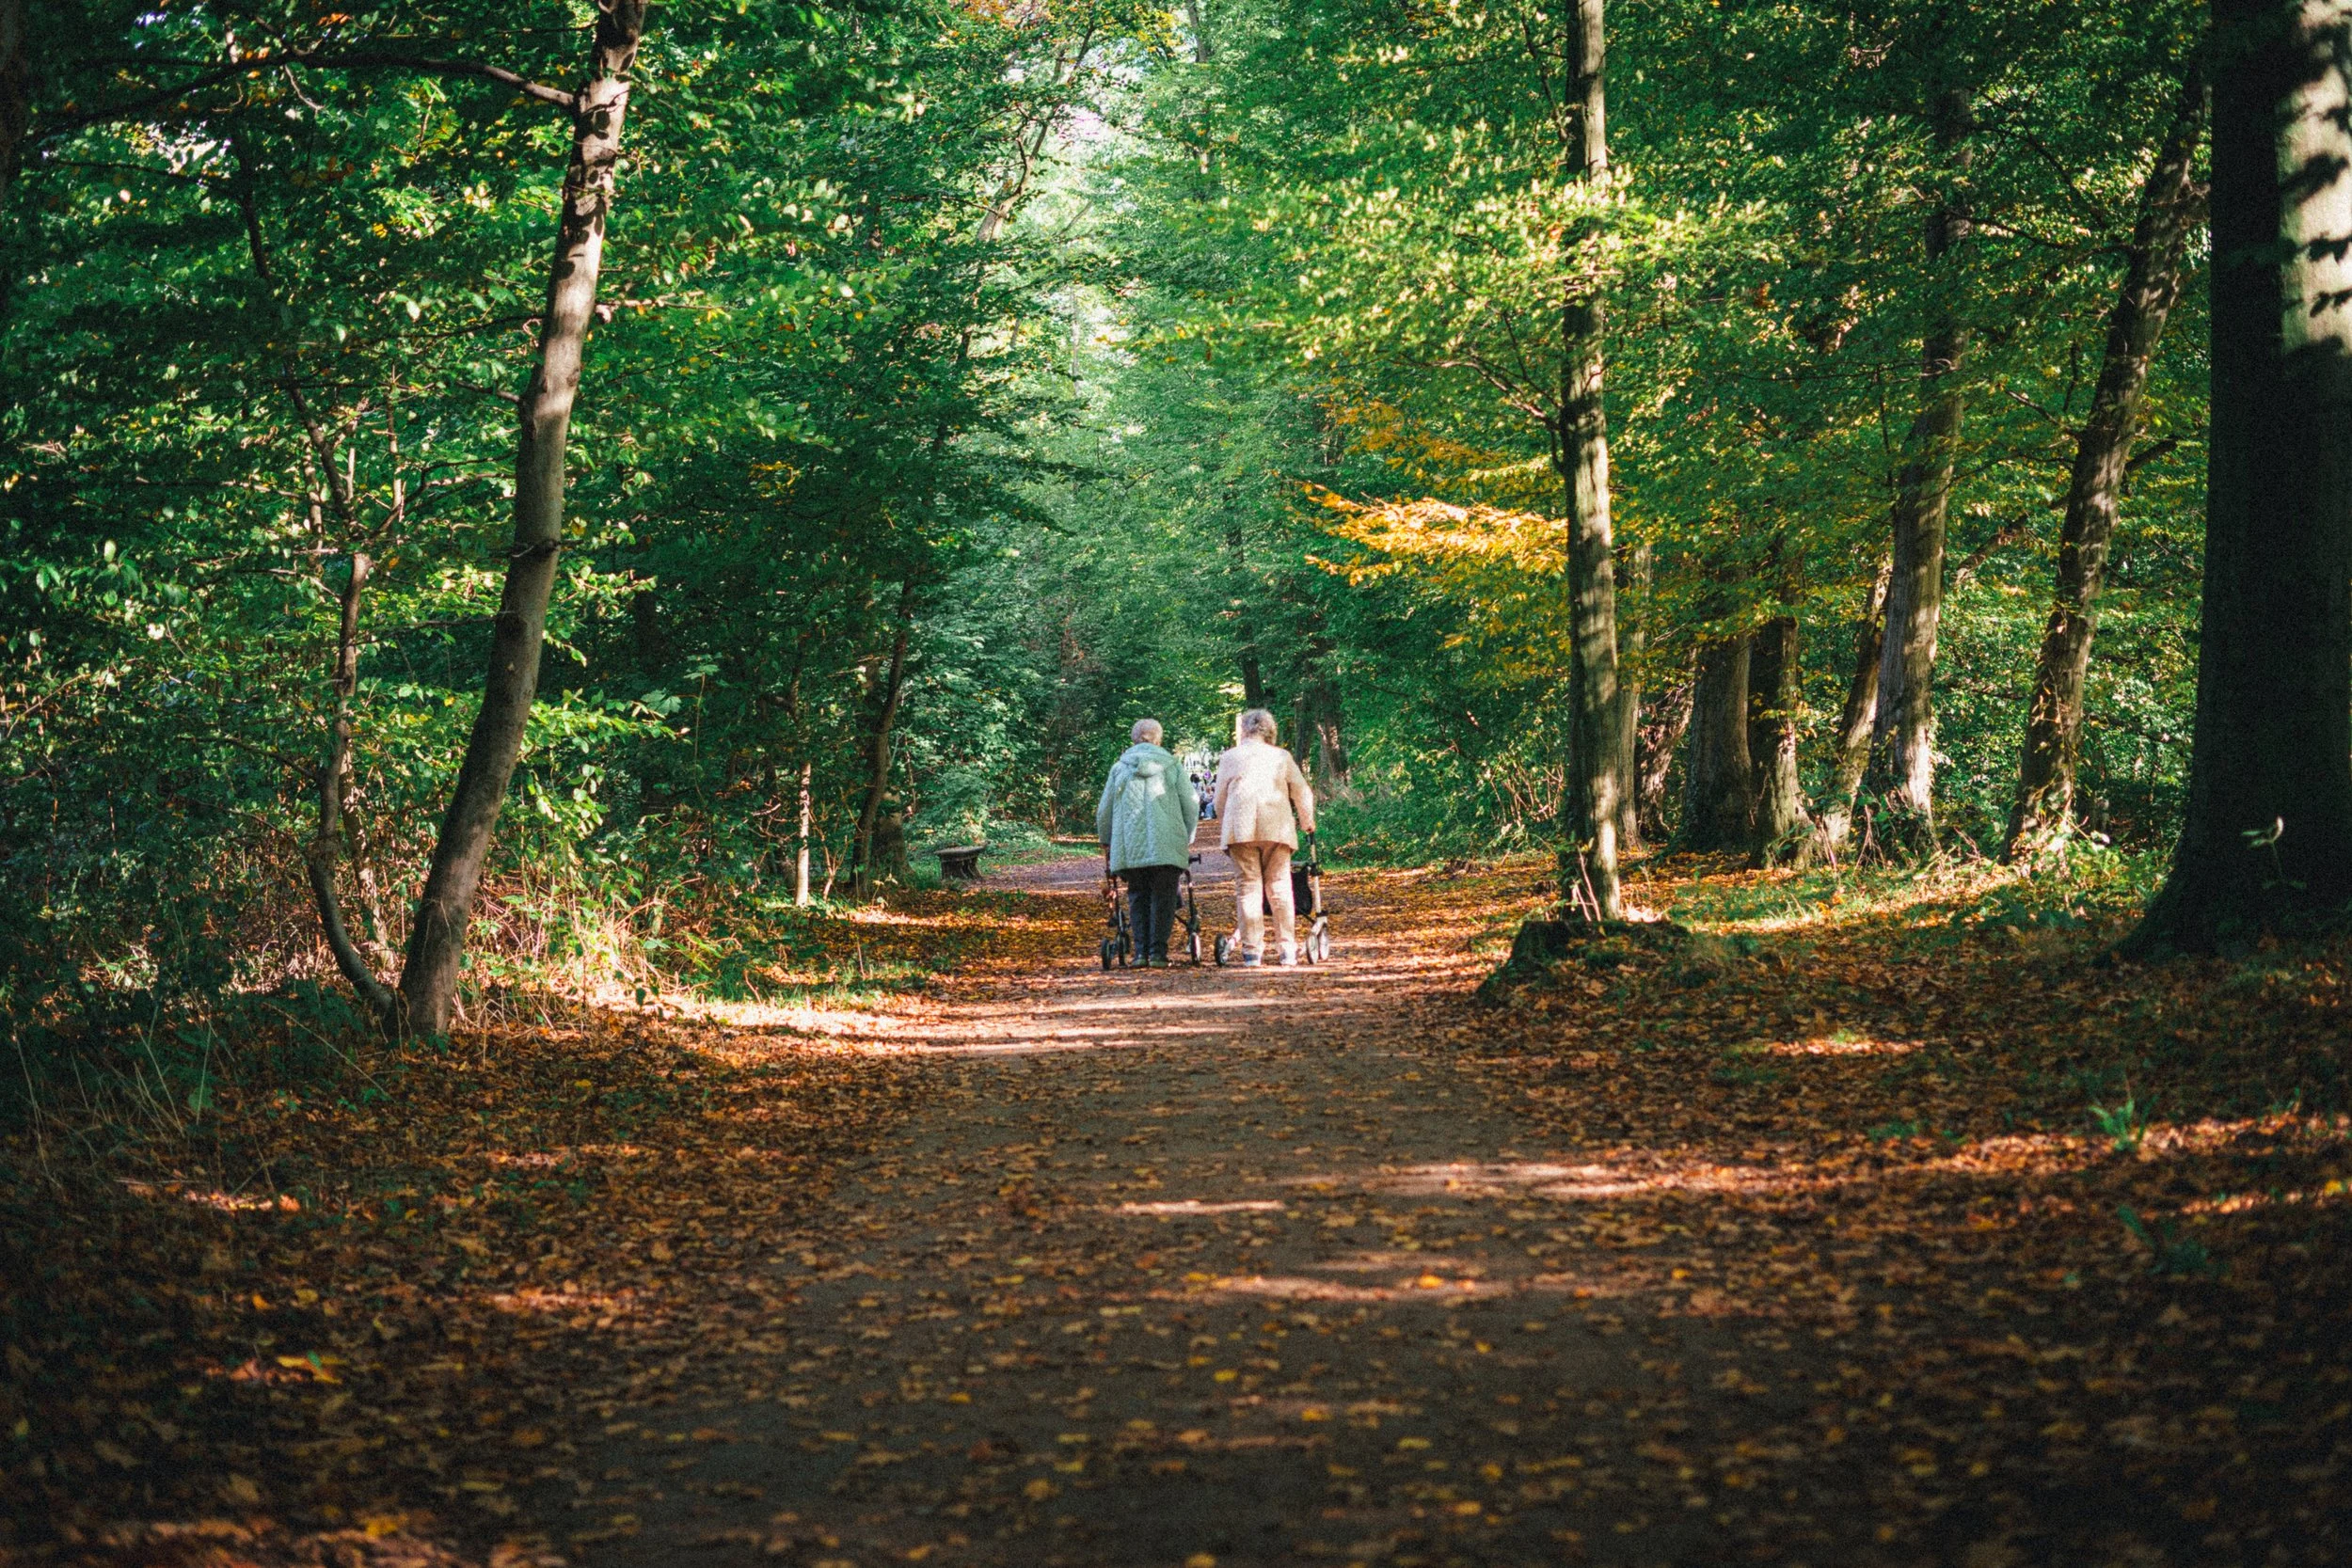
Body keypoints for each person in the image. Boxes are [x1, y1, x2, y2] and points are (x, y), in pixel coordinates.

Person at [1214, 707, 1315, 967]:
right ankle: (1287, 950)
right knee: (1280, 886)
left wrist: (1226, 822)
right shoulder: (1281, 757)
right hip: (1277, 828)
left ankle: (1252, 952)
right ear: (1270, 730)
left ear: (1244, 730)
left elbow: (1219, 799)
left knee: (1248, 887)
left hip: (1241, 829)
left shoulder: (1230, 757)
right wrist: (1307, 822)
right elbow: (1301, 791)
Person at [1096, 719, 1200, 967]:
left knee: (1137, 894)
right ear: (1159, 739)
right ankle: (1158, 954)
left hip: (1131, 846)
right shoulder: (1172, 766)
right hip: (1167, 844)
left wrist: (1106, 841)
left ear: (1134, 740)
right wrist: (1187, 836)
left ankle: (1140, 953)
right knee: (1164, 897)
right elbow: (1192, 804)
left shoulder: (1119, 768)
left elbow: (1104, 811)